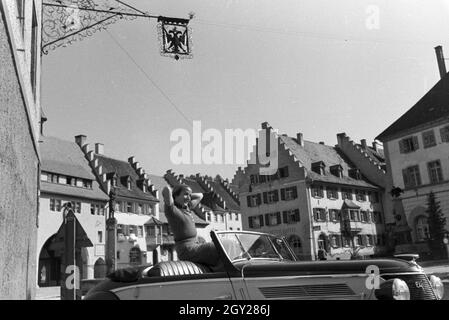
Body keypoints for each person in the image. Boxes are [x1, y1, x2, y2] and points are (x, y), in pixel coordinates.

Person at [162, 184, 223, 271]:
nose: (189, 197)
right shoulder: (172, 210)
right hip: (187, 249)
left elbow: (200, 196)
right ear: (175, 196)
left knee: (225, 245)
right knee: (218, 248)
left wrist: (187, 196)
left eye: (190, 195)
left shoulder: (187, 208)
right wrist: (174, 195)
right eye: (186, 194)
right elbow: (166, 189)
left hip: (195, 245)